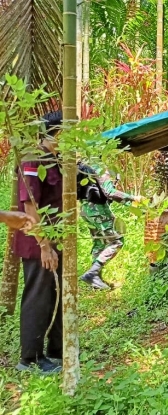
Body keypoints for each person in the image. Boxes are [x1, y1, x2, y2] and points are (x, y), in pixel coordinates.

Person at [12, 110, 64, 374]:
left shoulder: (57, 160)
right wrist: (44, 245)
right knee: (39, 296)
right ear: (55, 133)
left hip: (59, 238)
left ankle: (57, 351)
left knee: (58, 294)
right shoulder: (33, 160)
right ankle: (30, 358)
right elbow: (30, 206)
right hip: (38, 242)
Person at [78, 162, 145, 290]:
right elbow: (109, 192)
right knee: (117, 241)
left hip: (85, 209)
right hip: (98, 210)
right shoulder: (100, 167)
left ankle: (96, 282)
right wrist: (133, 199)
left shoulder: (86, 165)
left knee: (99, 243)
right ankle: (92, 273)